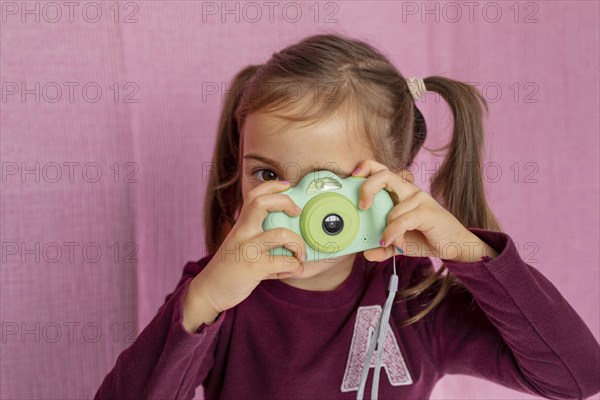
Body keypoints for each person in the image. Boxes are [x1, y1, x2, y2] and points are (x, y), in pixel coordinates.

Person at [94, 33, 600, 400]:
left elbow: (577, 376)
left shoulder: (416, 300)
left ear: (390, 183)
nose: (295, 208)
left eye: (326, 185)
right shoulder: (222, 298)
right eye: (267, 174)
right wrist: (203, 298)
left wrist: (467, 251)